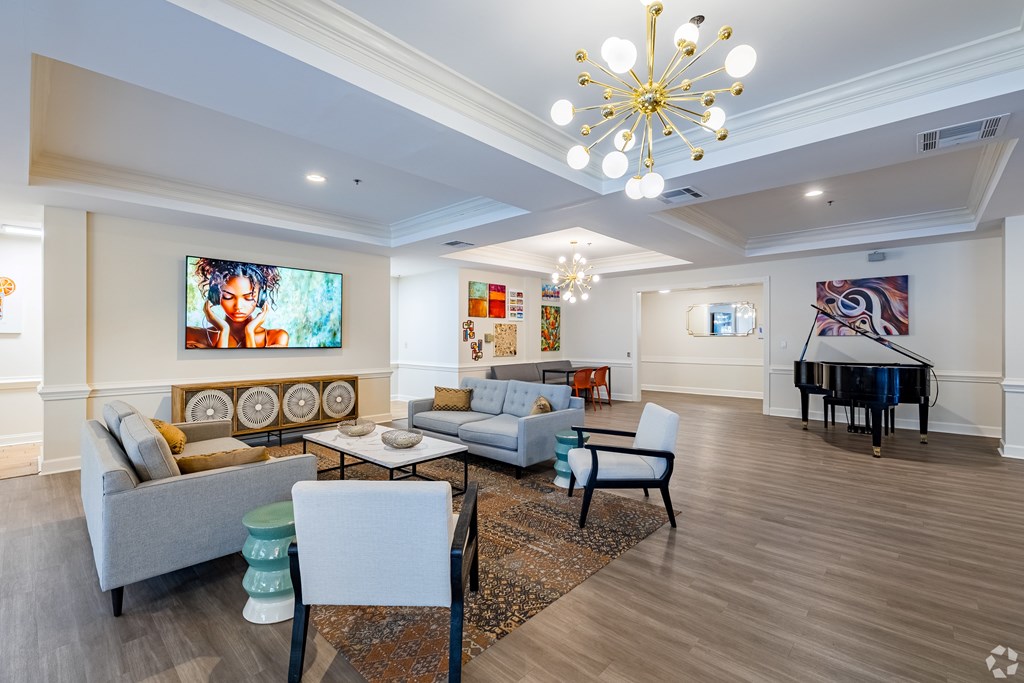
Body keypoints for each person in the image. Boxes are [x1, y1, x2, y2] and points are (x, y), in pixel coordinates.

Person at [186, 258, 289, 348]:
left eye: (248, 297)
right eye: (228, 296)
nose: (238, 306)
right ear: (216, 296)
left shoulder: (277, 337)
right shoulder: (193, 335)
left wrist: (250, 331)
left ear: (261, 297)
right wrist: (224, 331)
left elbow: (256, 366)